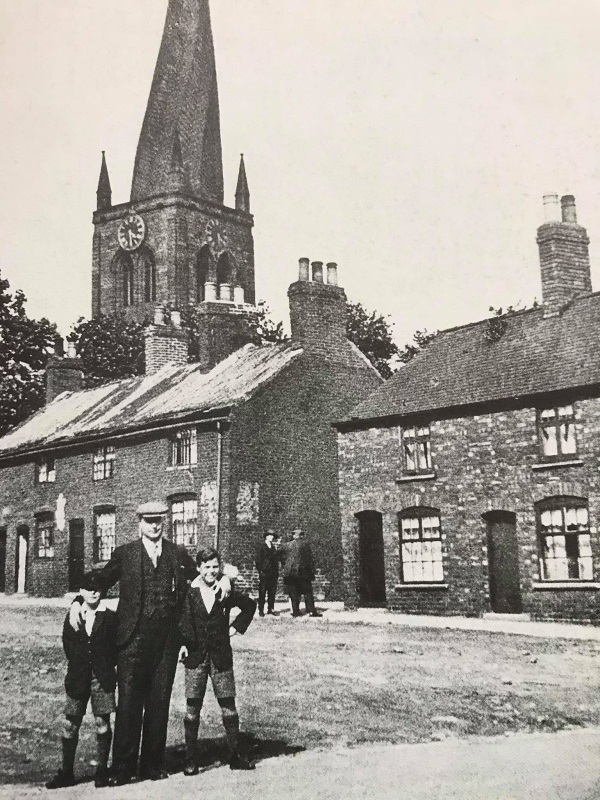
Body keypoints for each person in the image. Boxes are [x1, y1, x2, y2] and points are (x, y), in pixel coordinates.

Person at [68, 501, 230, 785]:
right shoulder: (126, 553)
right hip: (131, 641)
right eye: (149, 520)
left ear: (164, 522)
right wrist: (77, 601)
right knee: (129, 704)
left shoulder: (177, 554)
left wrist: (227, 578)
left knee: (158, 703)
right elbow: (100, 580)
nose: (154, 525)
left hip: (166, 642)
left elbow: (203, 576)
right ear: (139, 523)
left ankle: (153, 766)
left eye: (158, 521)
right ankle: (123, 769)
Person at [179, 547, 257, 775]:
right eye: (206, 567)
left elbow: (249, 606)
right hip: (195, 656)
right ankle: (190, 759)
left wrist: (235, 628)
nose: (211, 571)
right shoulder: (189, 591)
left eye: (215, 567)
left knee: (228, 706)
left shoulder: (225, 590)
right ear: (198, 568)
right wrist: (182, 643)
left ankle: (235, 755)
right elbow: (180, 619)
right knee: (192, 707)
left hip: (221, 656)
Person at [47, 571, 117, 790]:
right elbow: (68, 643)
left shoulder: (110, 616)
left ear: (102, 591)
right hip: (78, 675)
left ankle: (102, 771)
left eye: (97, 588)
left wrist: (104, 664)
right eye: (88, 588)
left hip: (102, 676)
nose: (93, 592)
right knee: (71, 723)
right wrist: (80, 663)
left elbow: (116, 646)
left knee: (101, 722)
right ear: (81, 592)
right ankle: (66, 771)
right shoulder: (74, 615)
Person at [280, 528, 322, 617]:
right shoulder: (305, 545)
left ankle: (295, 612)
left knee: (294, 592)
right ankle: (311, 611)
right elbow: (310, 559)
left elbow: (279, 556)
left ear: (294, 536)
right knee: (308, 592)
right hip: (303, 572)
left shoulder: (286, 545)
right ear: (300, 536)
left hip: (291, 573)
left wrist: (286, 564)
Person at [254, 529, 280, 616]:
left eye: (273, 536)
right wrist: (260, 571)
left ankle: (270, 609)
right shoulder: (261, 546)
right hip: (264, 573)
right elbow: (258, 560)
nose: (272, 537)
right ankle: (261, 610)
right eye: (270, 535)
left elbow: (275, 560)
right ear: (266, 536)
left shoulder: (273, 547)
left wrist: (276, 572)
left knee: (272, 592)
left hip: (273, 573)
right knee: (262, 591)